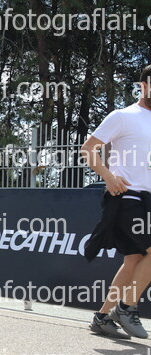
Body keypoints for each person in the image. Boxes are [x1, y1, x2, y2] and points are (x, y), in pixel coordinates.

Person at [81, 65, 151, 340]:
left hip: (148, 199)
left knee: (134, 259)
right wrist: (108, 177)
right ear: (143, 85)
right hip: (127, 196)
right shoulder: (123, 116)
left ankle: (102, 317)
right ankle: (126, 308)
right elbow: (88, 149)